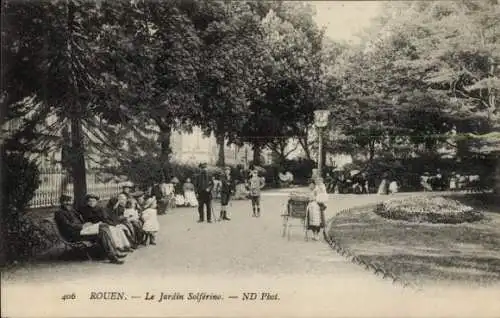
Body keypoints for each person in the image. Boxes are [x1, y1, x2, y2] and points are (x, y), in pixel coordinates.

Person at [55, 195, 126, 264]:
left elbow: (80, 219)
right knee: (102, 231)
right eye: (65, 201)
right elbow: (68, 226)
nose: (68, 203)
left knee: (104, 227)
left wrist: (87, 224)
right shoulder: (59, 213)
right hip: (73, 234)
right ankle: (112, 256)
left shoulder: (72, 210)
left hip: (81, 230)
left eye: (69, 201)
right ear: (61, 202)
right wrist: (82, 226)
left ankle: (114, 253)